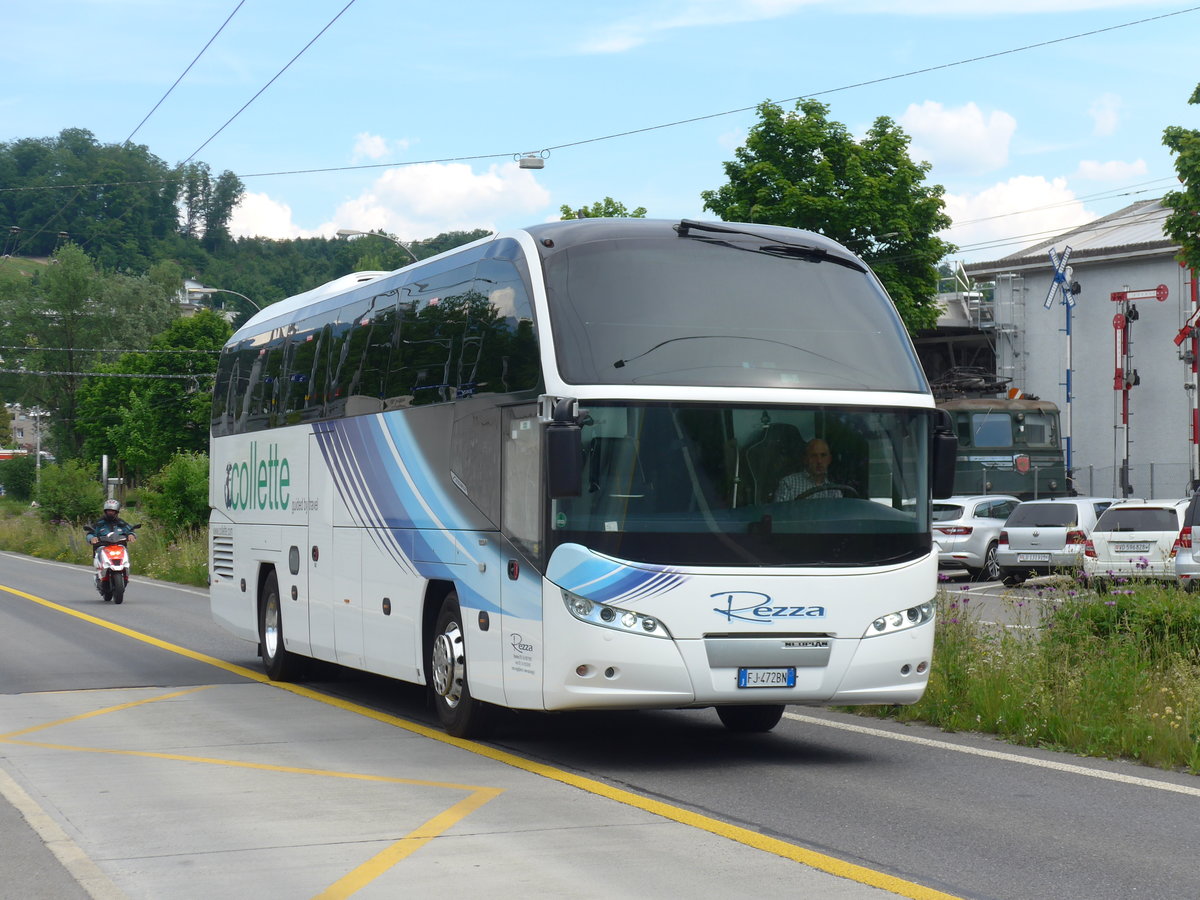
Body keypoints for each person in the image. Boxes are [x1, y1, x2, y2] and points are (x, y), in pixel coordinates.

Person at [775, 438, 844, 501]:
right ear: (805, 459)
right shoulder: (788, 484)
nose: (819, 461)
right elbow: (780, 510)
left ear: (829, 459)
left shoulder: (835, 491)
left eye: (823, 455)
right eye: (814, 456)